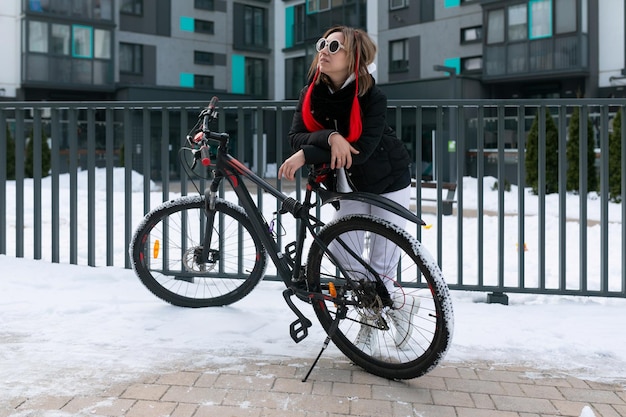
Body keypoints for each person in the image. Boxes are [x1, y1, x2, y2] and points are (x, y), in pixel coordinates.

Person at [278, 26, 419, 354]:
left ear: (354, 57)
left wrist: (309, 152)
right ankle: (374, 313)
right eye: (321, 43)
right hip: (345, 183)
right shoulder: (311, 94)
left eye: (334, 46)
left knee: (382, 263)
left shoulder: (372, 96)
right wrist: (330, 137)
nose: (324, 51)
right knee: (349, 259)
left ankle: (390, 308)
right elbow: (295, 136)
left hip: (387, 180)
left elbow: (361, 152)